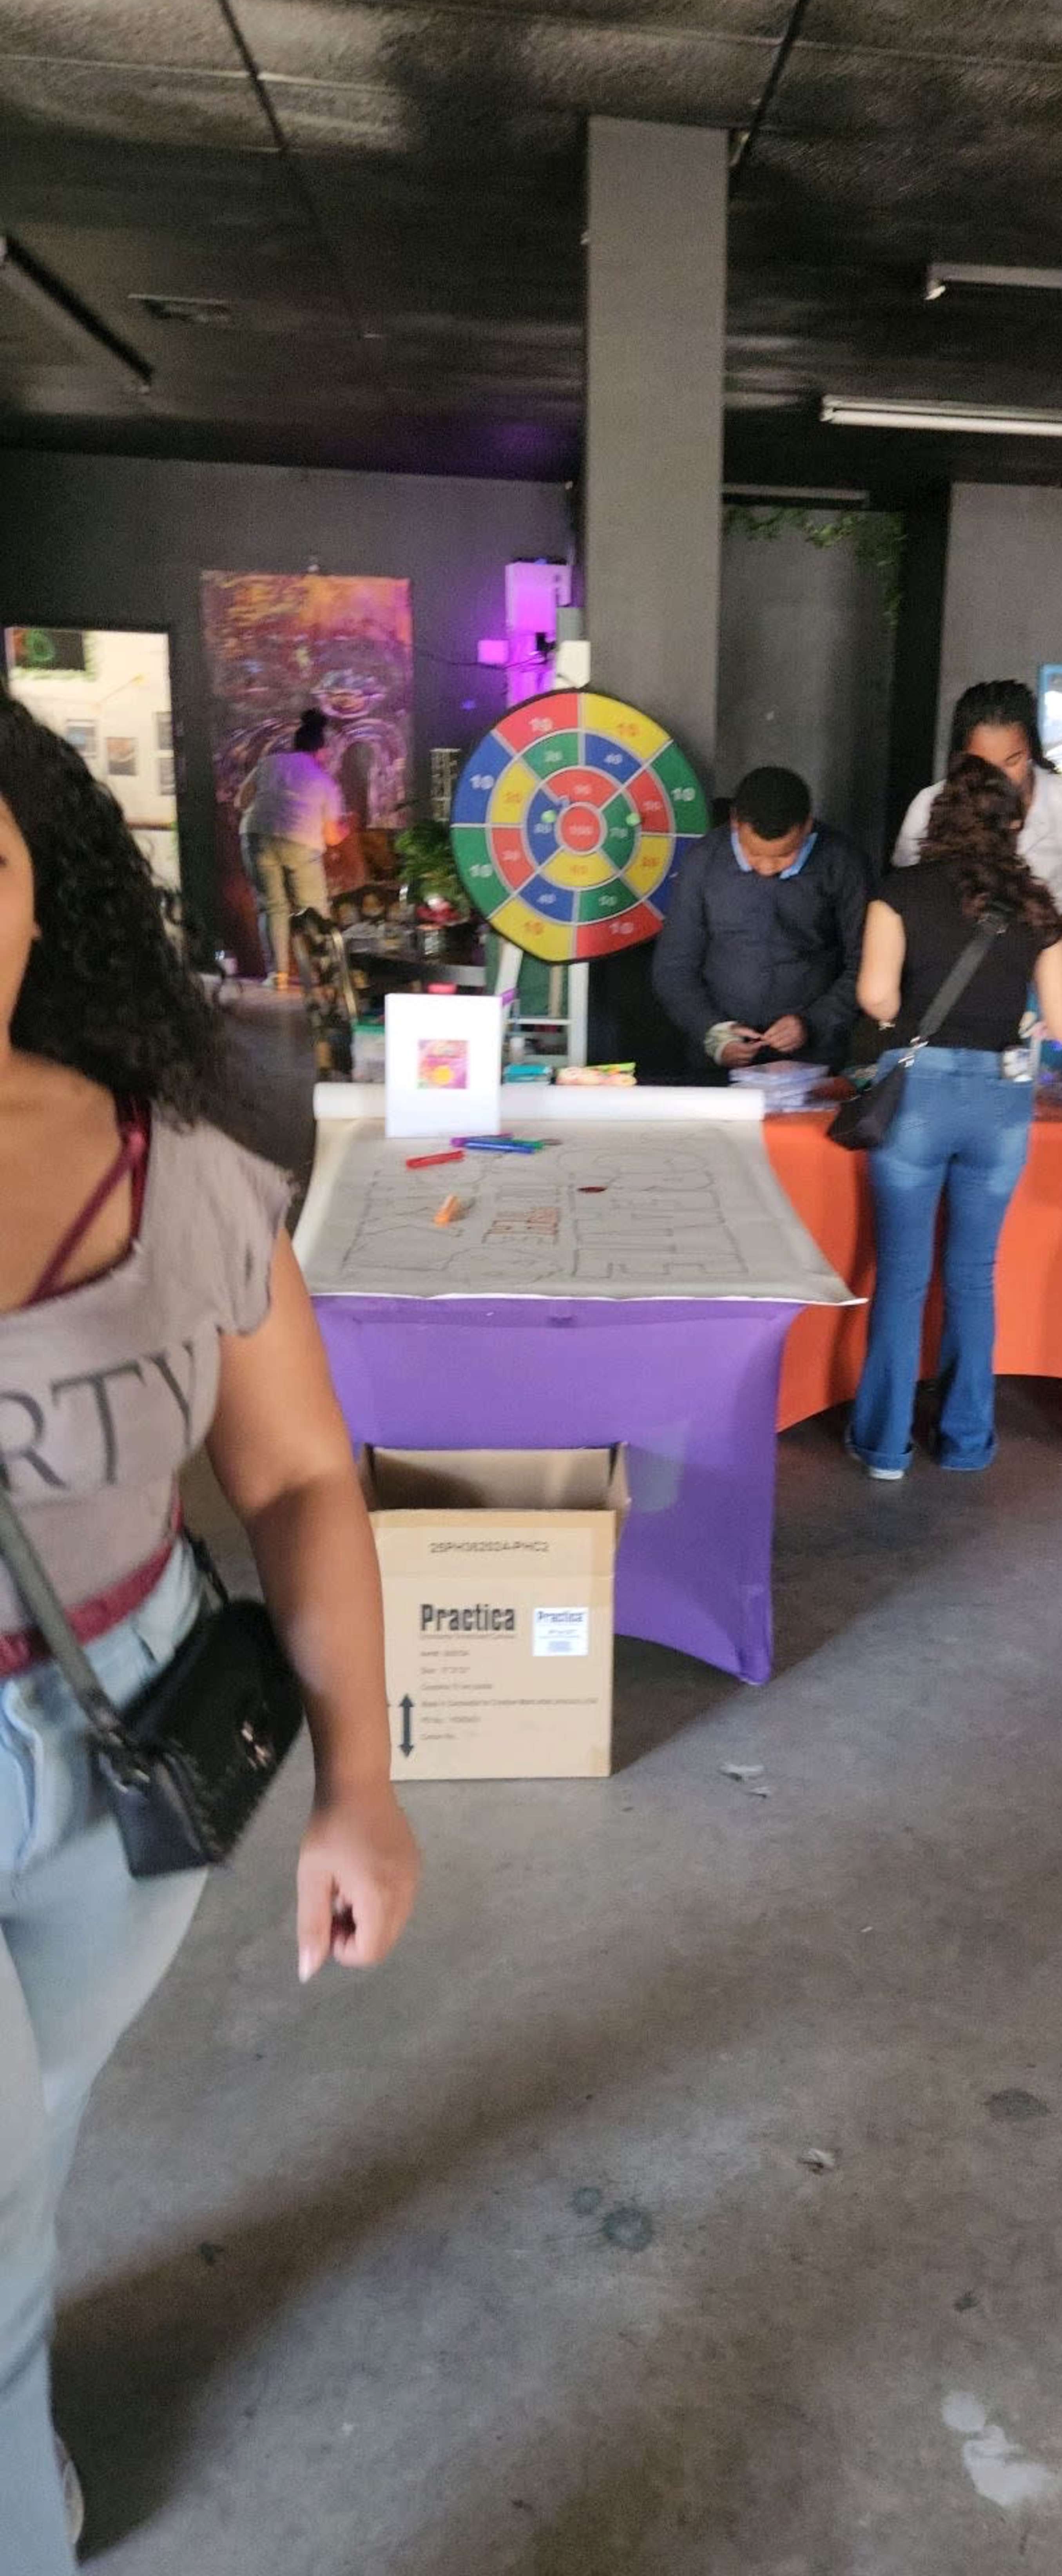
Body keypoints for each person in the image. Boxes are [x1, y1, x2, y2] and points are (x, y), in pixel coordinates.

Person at [0, 693, 419, 2571]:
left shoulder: (184, 1158)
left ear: (43, 889)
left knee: (37, 2142)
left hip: (128, 1746)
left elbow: (305, 1481)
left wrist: (364, 1787)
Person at [847, 755, 1062, 1480]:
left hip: (917, 1098)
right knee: (974, 1277)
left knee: (901, 1276)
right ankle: (964, 1441)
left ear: (936, 823)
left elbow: (878, 1001)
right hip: (1000, 1103)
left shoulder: (899, 896)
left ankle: (887, 1447)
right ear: (1014, 825)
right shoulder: (1038, 906)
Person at [653, 765, 870, 1076]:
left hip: (812, 1061)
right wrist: (713, 1032)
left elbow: (866, 963)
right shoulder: (704, 862)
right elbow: (674, 967)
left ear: (807, 825)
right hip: (716, 1059)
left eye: (784, 856)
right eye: (754, 854)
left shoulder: (843, 862)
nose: (767, 869)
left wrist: (814, 1023)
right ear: (735, 823)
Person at [892, 679, 1062, 944]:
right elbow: (903, 902)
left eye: (1013, 761)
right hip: (952, 966)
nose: (999, 778)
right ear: (961, 758)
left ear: (1032, 749)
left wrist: (1045, 949)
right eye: (983, 765)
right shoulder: (929, 805)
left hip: (1043, 966)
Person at [240, 706, 346, 985]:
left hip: (257, 835)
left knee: (272, 907)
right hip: (301, 842)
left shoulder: (270, 763)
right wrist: (347, 828)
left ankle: (278, 975)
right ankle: (324, 974)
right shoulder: (325, 781)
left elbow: (242, 801)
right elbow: (333, 836)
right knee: (313, 910)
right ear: (322, 751)